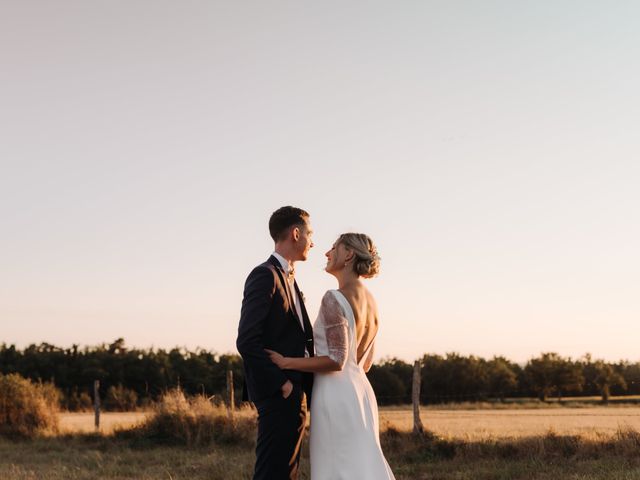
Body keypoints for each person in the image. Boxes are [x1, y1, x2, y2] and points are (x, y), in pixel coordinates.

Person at [266, 233, 396, 480]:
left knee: (337, 468)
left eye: (334, 247)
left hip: (335, 396)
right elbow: (364, 363)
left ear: (348, 255)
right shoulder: (372, 302)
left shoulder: (333, 298)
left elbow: (336, 359)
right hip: (362, 394)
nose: (327, 253)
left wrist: (286, 362)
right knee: (361, 465)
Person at [236, 206, 315, 480]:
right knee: (272, 472)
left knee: (286, 471)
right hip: (279, 391)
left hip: (295, 390)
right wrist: (282, 385)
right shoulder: (265, 275)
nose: (312, 242)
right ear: (296, 233)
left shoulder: (290, 278)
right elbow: (246, 340)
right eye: (309, 234)